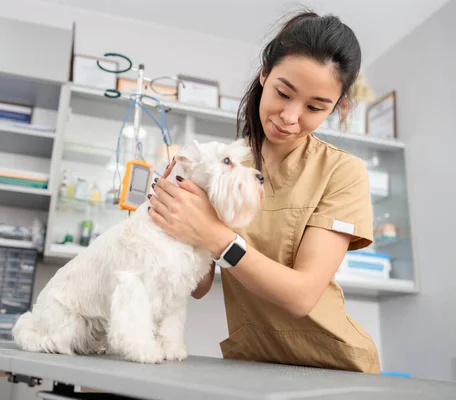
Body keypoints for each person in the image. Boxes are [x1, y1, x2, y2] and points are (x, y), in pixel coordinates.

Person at [147, 10, 381, 374]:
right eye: (283, 93)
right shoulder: (223, 164)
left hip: (333, 366)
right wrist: (173, 220)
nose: (290, 116)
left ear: (337, 107)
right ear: (264, 73)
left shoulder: (342, 172)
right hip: (252, 364)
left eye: (315, 107)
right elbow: (198, 286)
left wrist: (213, 233)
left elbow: (301, 296)